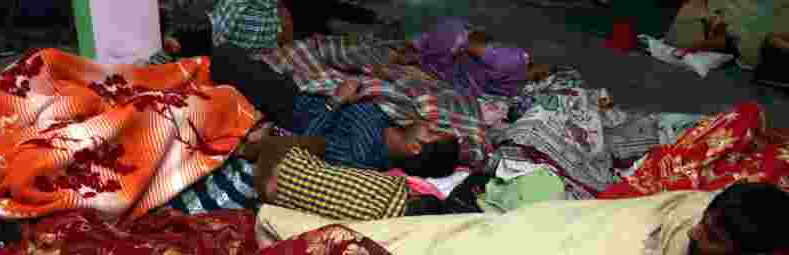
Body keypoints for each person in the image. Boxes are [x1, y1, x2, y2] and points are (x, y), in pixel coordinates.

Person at [211, 45, 460, 174]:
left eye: (433, 133)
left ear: (415, 147)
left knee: (225, 56)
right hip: (314, 87)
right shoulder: (394, 124)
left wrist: (336, 102)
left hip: (291, 104)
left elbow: (305, 142)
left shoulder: (363, 155)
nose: (430, 126)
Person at [239, 137, 463, 223]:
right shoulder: (379, 228)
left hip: (284, 161)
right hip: (276, 195)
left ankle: (244, 149)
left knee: (316, 145)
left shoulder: (395, 183)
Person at [402, 17, 551, 98]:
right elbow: (472, 47)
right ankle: (416, 50)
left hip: (458, 73)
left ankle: (416, 50)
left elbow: (470, 46)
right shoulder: (513, 65)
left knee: (433, 58)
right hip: (459, 71)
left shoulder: (513, 68)